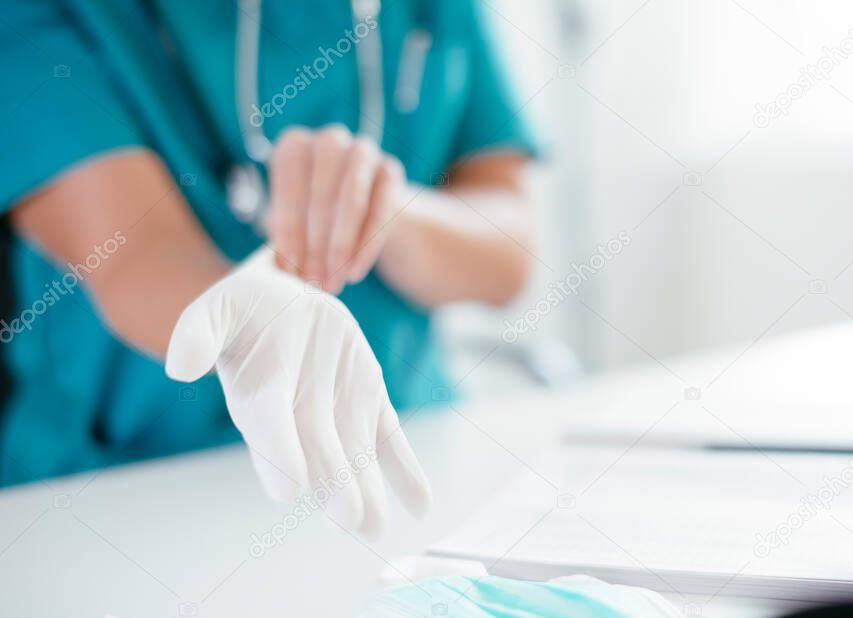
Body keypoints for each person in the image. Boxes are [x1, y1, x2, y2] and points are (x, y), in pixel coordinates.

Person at [0, 0, 538, 535]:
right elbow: (136, 254)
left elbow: (508, 248)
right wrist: (247, 318)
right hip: (127, 494)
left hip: (411, 446)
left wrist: (384, 208)